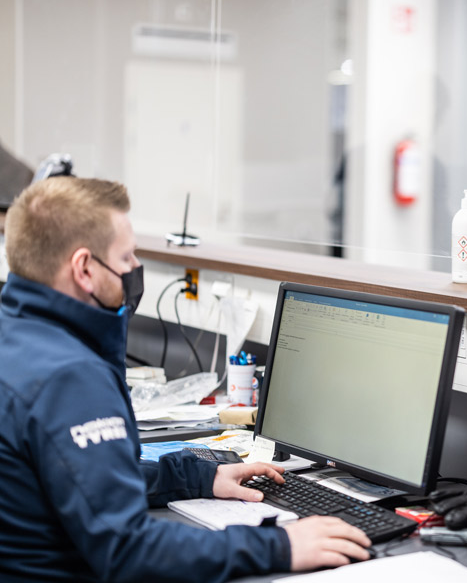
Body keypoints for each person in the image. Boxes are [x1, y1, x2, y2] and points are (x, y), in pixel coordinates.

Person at [0, 177, 370, 581]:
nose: (134, 268)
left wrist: (199, 477)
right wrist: (280, 545)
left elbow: (88, 481)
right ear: (84, 268)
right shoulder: (69, 378)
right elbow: (129, 551)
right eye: (126, 257)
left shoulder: (17, 336)